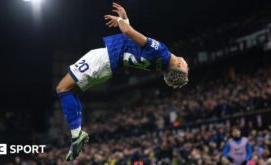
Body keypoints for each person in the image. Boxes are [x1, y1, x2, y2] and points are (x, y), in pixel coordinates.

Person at [55, 2, 189, 161]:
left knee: (62, 88)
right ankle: (77, 133)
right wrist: (124, 18)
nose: (188, 63)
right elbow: (133, 46)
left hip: (104, 59)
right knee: (72, 91)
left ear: (179, 65)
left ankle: (76, 134)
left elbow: (128, 32)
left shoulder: (162, 51)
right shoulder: (159, 65)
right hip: (108, 67)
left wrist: (121, 22)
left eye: (188, 67)